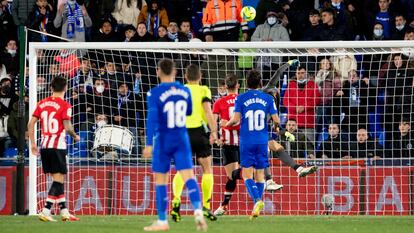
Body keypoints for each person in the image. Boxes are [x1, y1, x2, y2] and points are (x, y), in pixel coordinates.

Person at [142, 59, 207, 231]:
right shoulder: (184, 90)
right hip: (181, 137)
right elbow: (189, 111)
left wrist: (148, 144)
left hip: (164, 139)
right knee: (189, 176)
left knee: (161, 179)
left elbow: (152, 119)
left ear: (158, 72)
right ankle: (198, 211)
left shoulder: (154, 93)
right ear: (175, 72)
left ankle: (163, 221)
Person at [225, 70, 278, 220]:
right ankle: (257, 206)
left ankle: (257, 200)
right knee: (260, 175)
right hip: (262, 141)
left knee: (246, 174)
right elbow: (276, 119)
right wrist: (277, 126)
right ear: (260, 83)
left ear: (246, 83)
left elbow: (235, 119)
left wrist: (226, 125)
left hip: (247, 141)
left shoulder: (241, 98)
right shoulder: (268, 98)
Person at [27, 76, 80, 222]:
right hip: (57, 146)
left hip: (44, 146)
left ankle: (64, 212)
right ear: (65, 88)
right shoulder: (65, 105)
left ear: (51, 87)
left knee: (58, 179)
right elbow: (68, 127)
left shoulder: (42, 103)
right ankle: (45, 210)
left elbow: (31, 124)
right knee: (58, 180)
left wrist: (32, 144)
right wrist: (75, 136)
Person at [171, 64, 218, 222]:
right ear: (200, 77)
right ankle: (205, 206)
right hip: (199, 133)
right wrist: (214, 131)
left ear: (185, 77)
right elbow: (207, 110)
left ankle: (176, 201)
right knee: (207, 168)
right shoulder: (204, 89)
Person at [212, 74, 240, 216]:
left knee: (232, 176)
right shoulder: (243, 100)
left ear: (225, 86)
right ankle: (223, 206)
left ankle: (223, 206)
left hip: (228, 143)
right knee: (234, 176)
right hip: (244, 142)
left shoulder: (219, 102)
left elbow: (213, 122)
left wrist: (216, 138)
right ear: (238, 85)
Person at [283, 66, 321, 143]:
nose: (300, 75)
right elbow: (285, 101)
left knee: (310, 149)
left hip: (308, 124)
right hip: (293, 125)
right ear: (296, 74)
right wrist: (295, 108)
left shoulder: (313, 84)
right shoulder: (291, 85)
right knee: (293, 150)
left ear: (306, 73)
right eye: (298, 73)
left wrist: (304, 107)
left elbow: (317, 99)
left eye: (302, 73)